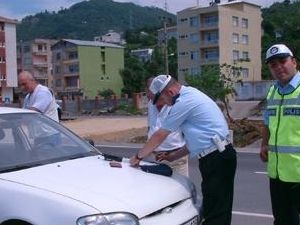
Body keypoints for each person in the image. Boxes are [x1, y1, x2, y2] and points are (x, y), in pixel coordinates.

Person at [130, 75, 237, 225]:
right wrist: (174, 156)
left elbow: (160, 134)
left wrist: (138, 157)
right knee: (216, 207)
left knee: (216, 212)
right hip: (215, 155)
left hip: (216, 157)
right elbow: (197, 140)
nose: (165, 104)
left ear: (170, 93)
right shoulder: (190, 94)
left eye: (163, 100)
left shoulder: (183, 102)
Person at [260, 44, 300, 225]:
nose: (279, 67)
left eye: (283, 61)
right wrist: (263, 144)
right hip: (277, 174)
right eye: (273, 64)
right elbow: (267, 122)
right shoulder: (273, 91)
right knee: (283, 220)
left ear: (294, 62)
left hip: (298, 175)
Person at [146, 77, 189, 177]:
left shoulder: (175, 103)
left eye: (153, 90)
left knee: (180, 189)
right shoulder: (150, 105)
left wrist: (138, 157)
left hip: (176, 159)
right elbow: (151, 127)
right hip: (155, 157)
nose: (150, 93)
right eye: (148, 89)